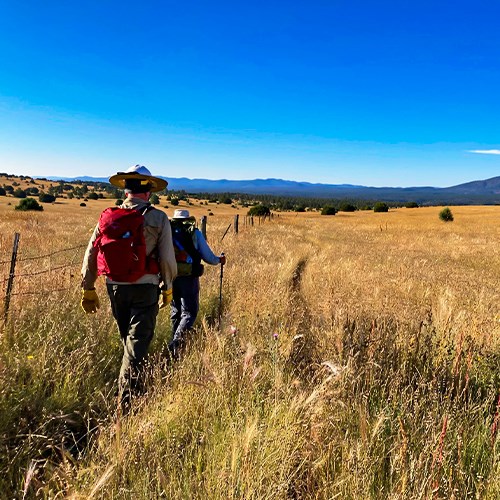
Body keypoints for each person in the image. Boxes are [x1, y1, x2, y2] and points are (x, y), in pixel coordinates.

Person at [80, 165, 177, 408]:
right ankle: (126, 402)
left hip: (115, 287)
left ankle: (135, 385)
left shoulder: (108, 216)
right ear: (148, 192)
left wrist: (88, 287)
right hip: (145, 288)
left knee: (129, 339)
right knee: (136, 343)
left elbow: (92, 251)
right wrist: (168, 287)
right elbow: (166, 258)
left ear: (126, 192)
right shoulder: (158, 217)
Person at [168, 209, 226, 358]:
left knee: (176, 312)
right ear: (188, 219)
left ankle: (174, 348)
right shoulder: (195, 233)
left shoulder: (167, 232)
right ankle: (176, 344)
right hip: (189, 277)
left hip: (170, 276)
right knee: (189, 312)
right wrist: (219, 259)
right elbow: (208, 257)